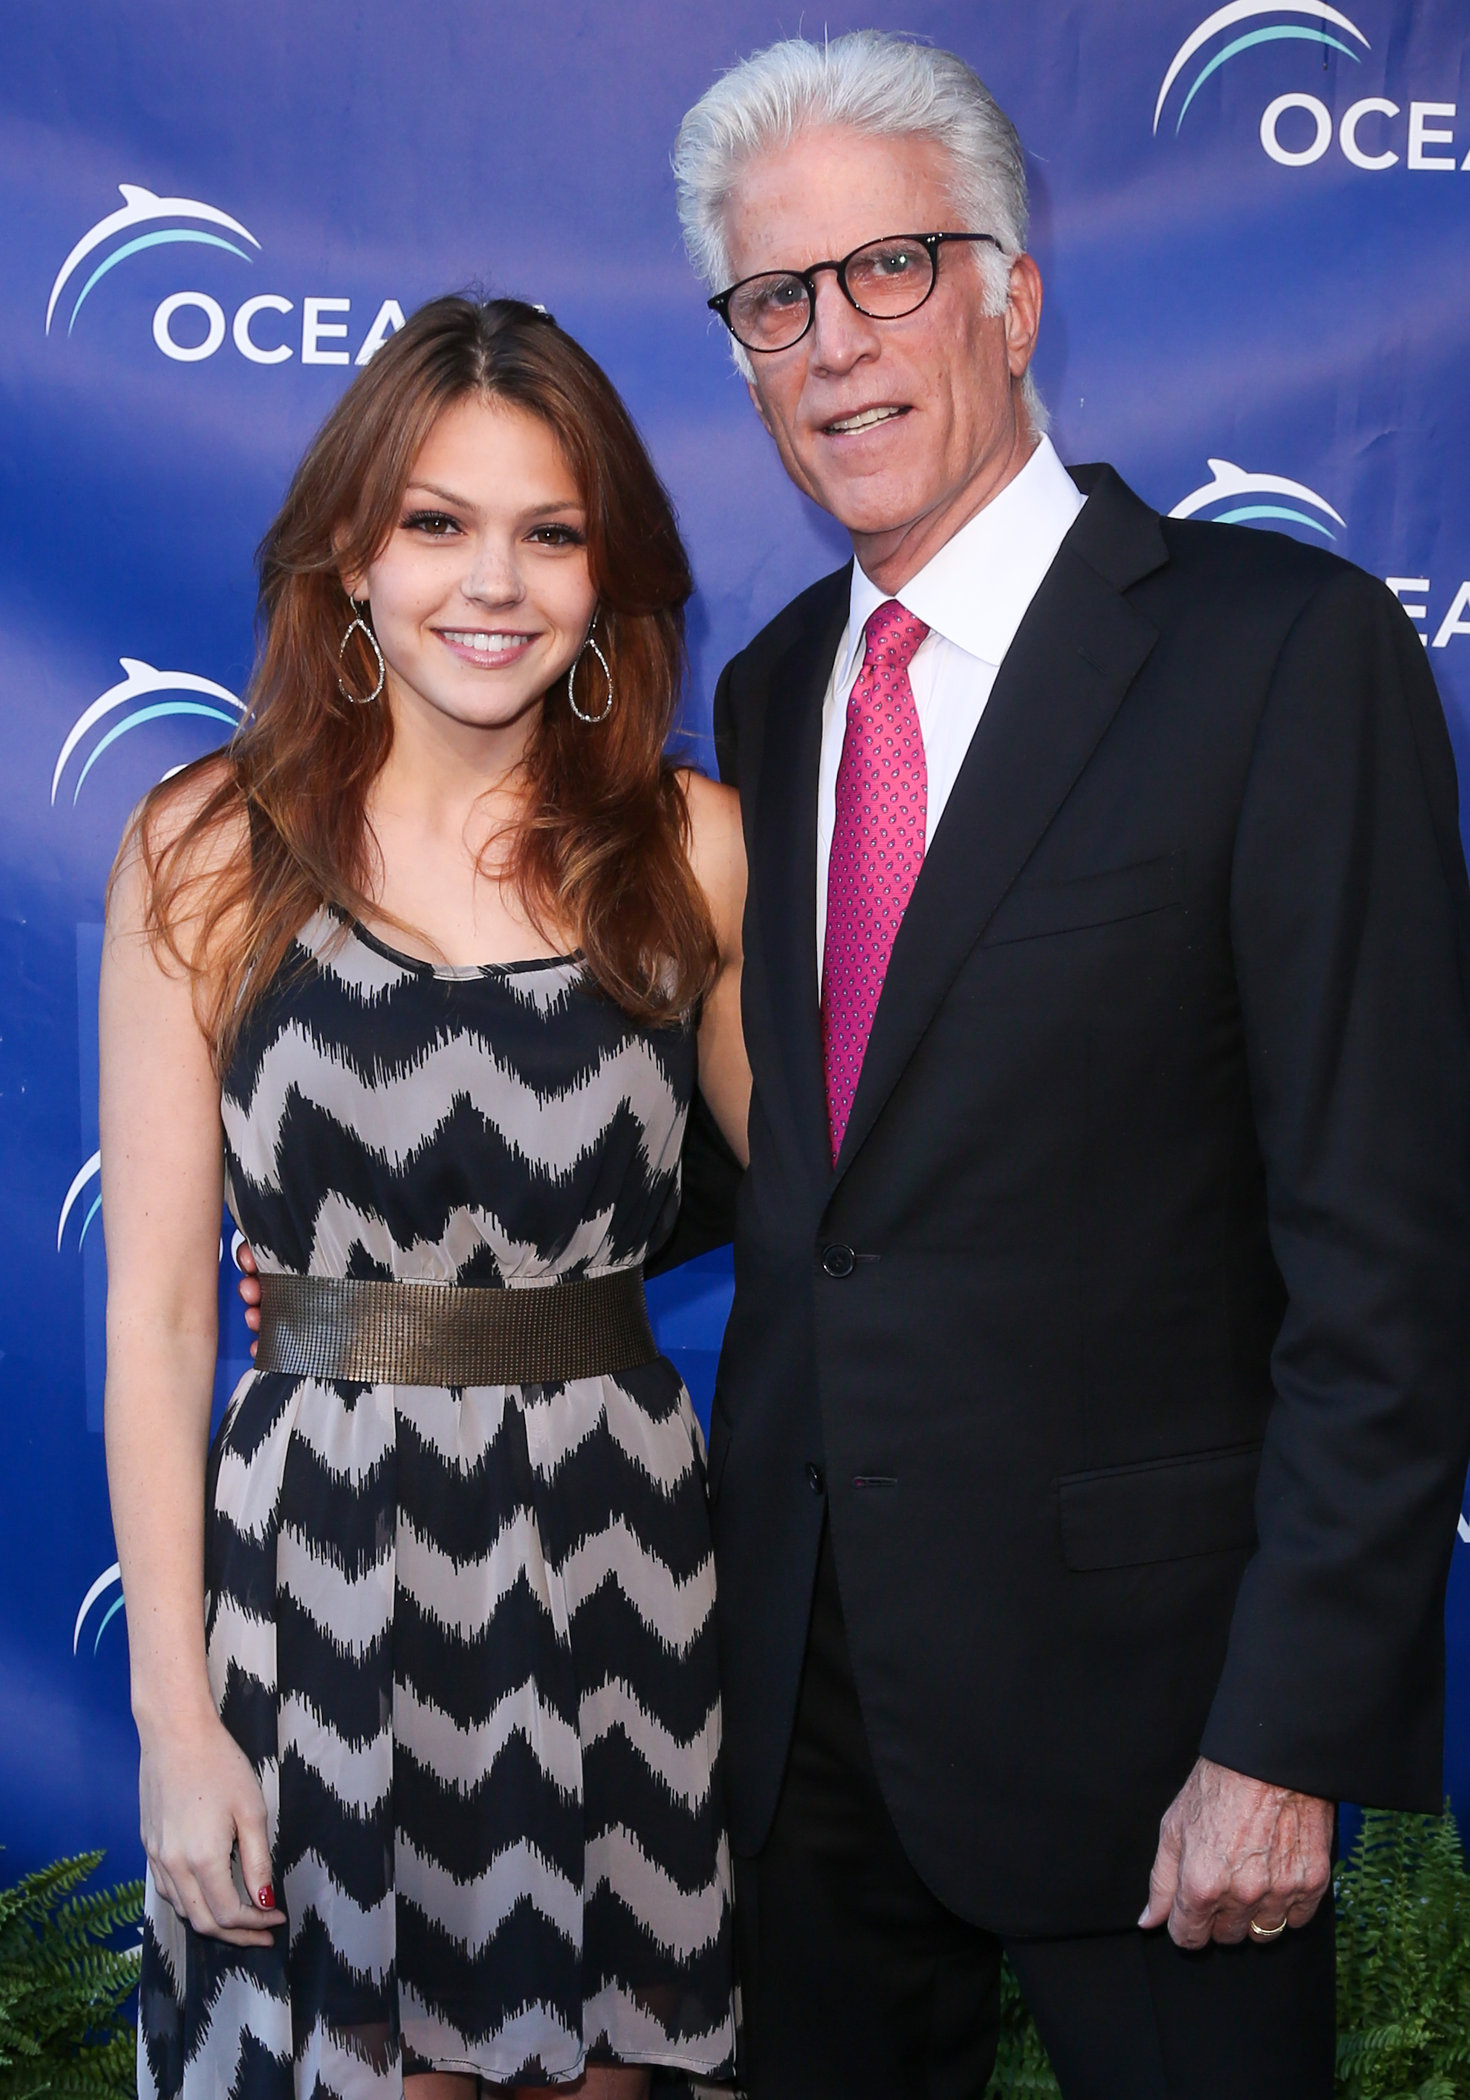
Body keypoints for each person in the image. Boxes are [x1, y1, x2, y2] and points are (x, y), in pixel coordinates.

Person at [659, 31, 1470, 2100]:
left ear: (1017, 297)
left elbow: (1386, 1252)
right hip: (806, 1724)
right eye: (777, 301)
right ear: (744, 357)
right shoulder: (763, 698)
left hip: (1160, 1738)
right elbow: (796, 1160)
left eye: (892, 270)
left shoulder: (1278, 654)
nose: (833, 344)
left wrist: (1285, 1738)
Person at [101, 295, 743, 2100]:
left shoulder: (693, 849)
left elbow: (836, 1205)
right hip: (318, 1582)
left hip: (622, 1575)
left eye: (550, 531)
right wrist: (176, 1721)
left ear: (607, 573)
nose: (495, 581)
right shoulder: (207, 847)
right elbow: (156, 1317)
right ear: (349, 556)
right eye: (437, 522)